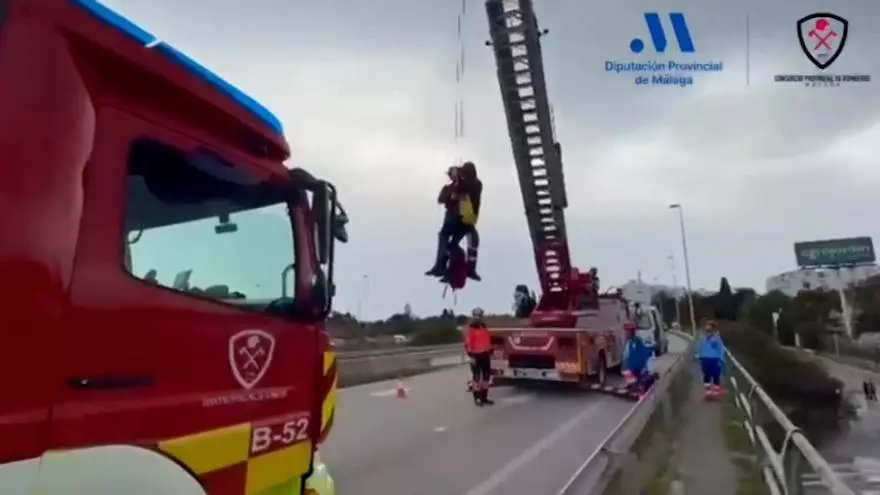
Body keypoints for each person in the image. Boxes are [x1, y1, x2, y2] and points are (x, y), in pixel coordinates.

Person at [425, 166, 462, 278]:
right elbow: (440, 199)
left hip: (459, 217)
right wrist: (449, 196)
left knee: (450, 243)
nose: (452, 175)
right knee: (443, 238)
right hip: (450, 216)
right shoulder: (448, 188)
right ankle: (440, 265)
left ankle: (447, 268)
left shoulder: (463, 187)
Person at [465, 307, 494, 406]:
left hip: (485, 355)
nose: (479, 317)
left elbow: (487, 340)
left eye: (480, 315)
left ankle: (484, 397)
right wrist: (471, 355)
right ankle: (477, 398)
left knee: (486, 377)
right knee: (476, 378)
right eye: (477, 315)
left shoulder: (484, 326)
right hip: (475, 356)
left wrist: (490, 349)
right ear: (473, 316)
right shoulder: (471, 328)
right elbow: (468, 343)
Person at [622, 321, 655, 393]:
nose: (627, 333)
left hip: (637, 362)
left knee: (638, 373)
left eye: (629, 331)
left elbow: (640, 350)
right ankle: (635, 385)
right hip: (633, 362)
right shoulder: (631, 340)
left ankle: (639, 386)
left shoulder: (636, 340)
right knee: (633, 373)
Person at [695, 320, 726, 395]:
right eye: (706, 330)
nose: (708, 332)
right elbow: (698, 348)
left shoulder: (717, 339)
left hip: (715, 359)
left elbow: (721, 349)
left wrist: (721, 359)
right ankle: (708, 391)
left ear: (713, 330)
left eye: (709, 330)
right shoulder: (702, 339)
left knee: (716, 375)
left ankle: (716, 390)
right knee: (706, 375)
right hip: (705, 359)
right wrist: (698, 356)